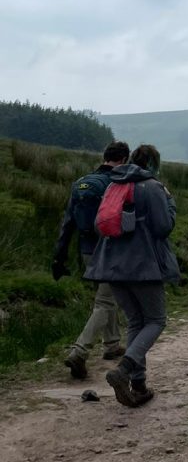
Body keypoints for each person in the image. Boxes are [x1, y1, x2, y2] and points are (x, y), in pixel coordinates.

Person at [85, 144, 179, 407]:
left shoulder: (114, 184)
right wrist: (170, 204)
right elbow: (163, 227)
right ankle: (124, 370)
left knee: (136, 321)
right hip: (143, 266)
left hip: (112, 266)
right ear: (153, 163)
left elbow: (100, 224)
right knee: (156, 320)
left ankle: (138, 385)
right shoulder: (153, 187)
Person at [53, 140, 131, 379]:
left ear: (104, 156)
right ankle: (79, 351)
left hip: (87, 251)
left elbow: (68, 223)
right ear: (124, 160)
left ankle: (112, 344)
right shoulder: (117, 183)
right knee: (105, 301)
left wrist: (59, 256)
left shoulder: (81, 183)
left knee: (106, 295)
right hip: (109, 249)